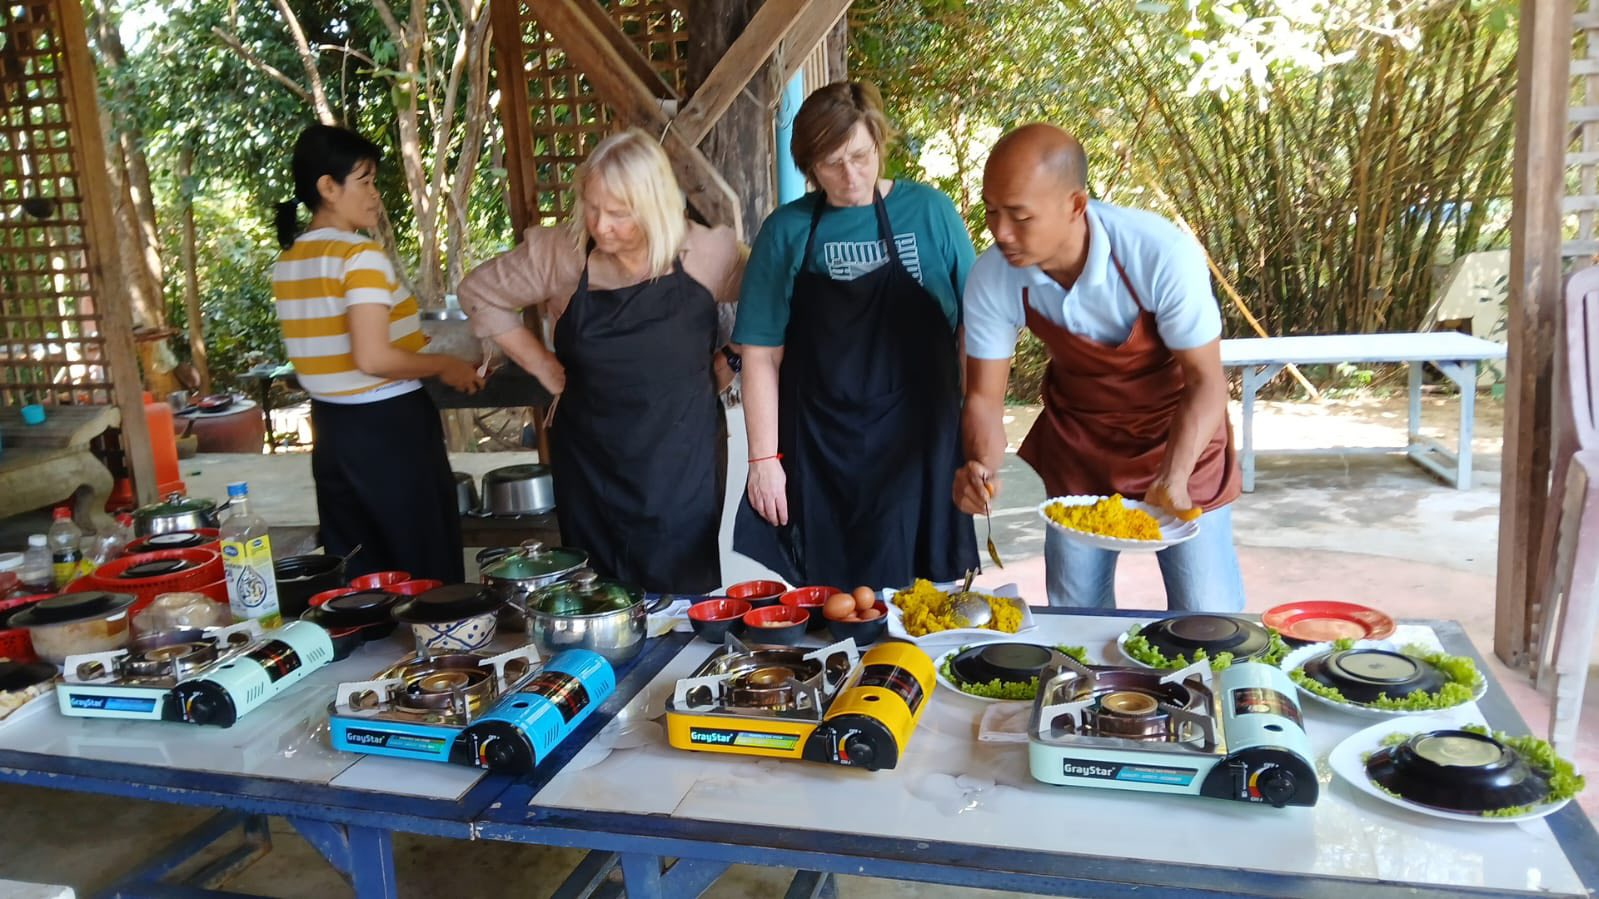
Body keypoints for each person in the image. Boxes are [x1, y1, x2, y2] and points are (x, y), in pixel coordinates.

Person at [952, 123, 1245, 612]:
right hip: (1081, 443)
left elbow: (1206, 382)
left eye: (1020, 216)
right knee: (1075, 610)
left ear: (1075, 205)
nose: (1000, 232)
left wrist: (1173, 476)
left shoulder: (1158, 253)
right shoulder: (994, 275)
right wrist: (980, 466)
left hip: (1180, 439)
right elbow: (983, 397)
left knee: (1206, 613)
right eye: (992, 211)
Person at [457, 128, 742, 594]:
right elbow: (479, 292)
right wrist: (543, 365)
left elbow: (776, 294)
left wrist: (733, 356)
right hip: (591, 461)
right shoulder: (561, 254)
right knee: (596, 594)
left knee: (681, 595)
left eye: (618, 213)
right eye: (592, 207)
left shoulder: (708, 253)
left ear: (653, 206)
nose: (600, 225)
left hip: (681, 460)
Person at [733, 81, 978, 589]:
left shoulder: (930, 212)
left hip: (922, 438)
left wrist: (976, 436)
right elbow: (760, 355)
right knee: (833, 598)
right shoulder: (786, 231)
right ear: (809, 167)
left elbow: (975, 331)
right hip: (823, 445)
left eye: (861, 156)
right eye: (832, 164)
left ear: (880, 143)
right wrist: (763, 460)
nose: (851, 176)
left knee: (927, 595)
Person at [272, 124, 483, 583]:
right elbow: (373, 359)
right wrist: (444, 364)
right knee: (424, 568)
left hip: (332, 431)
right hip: (390, 428)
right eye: (364, 181)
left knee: (362, 575)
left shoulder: (288, 261)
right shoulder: (358, 256)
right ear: (328, 188)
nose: (375, 195)